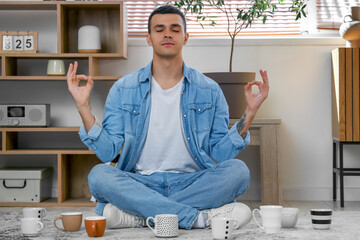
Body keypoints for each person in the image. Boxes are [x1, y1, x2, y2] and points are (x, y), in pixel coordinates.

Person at [66, 5, 269, 230]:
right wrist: (83, 107)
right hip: (141, 182)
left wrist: (249, 113)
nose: (167, 34)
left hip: (192, 182)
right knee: (98, 176)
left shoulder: (209, 89)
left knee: (238, 172)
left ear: (185, 37)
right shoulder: (123, 88)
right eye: (159, 29)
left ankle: (142, 214)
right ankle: (195, 217)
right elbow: (108, 152)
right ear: (149, 38)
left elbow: (220, 154)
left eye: (175, 28)